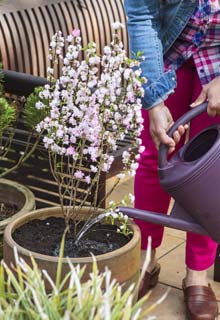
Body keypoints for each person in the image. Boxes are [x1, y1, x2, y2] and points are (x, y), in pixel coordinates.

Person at [124, 0, 220, 319]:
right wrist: (154, 100)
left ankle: (198, 274)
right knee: (156, 155)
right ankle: (145, 259)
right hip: (168, 53)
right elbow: (141, 15)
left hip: (218, 61)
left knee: (212, 172)